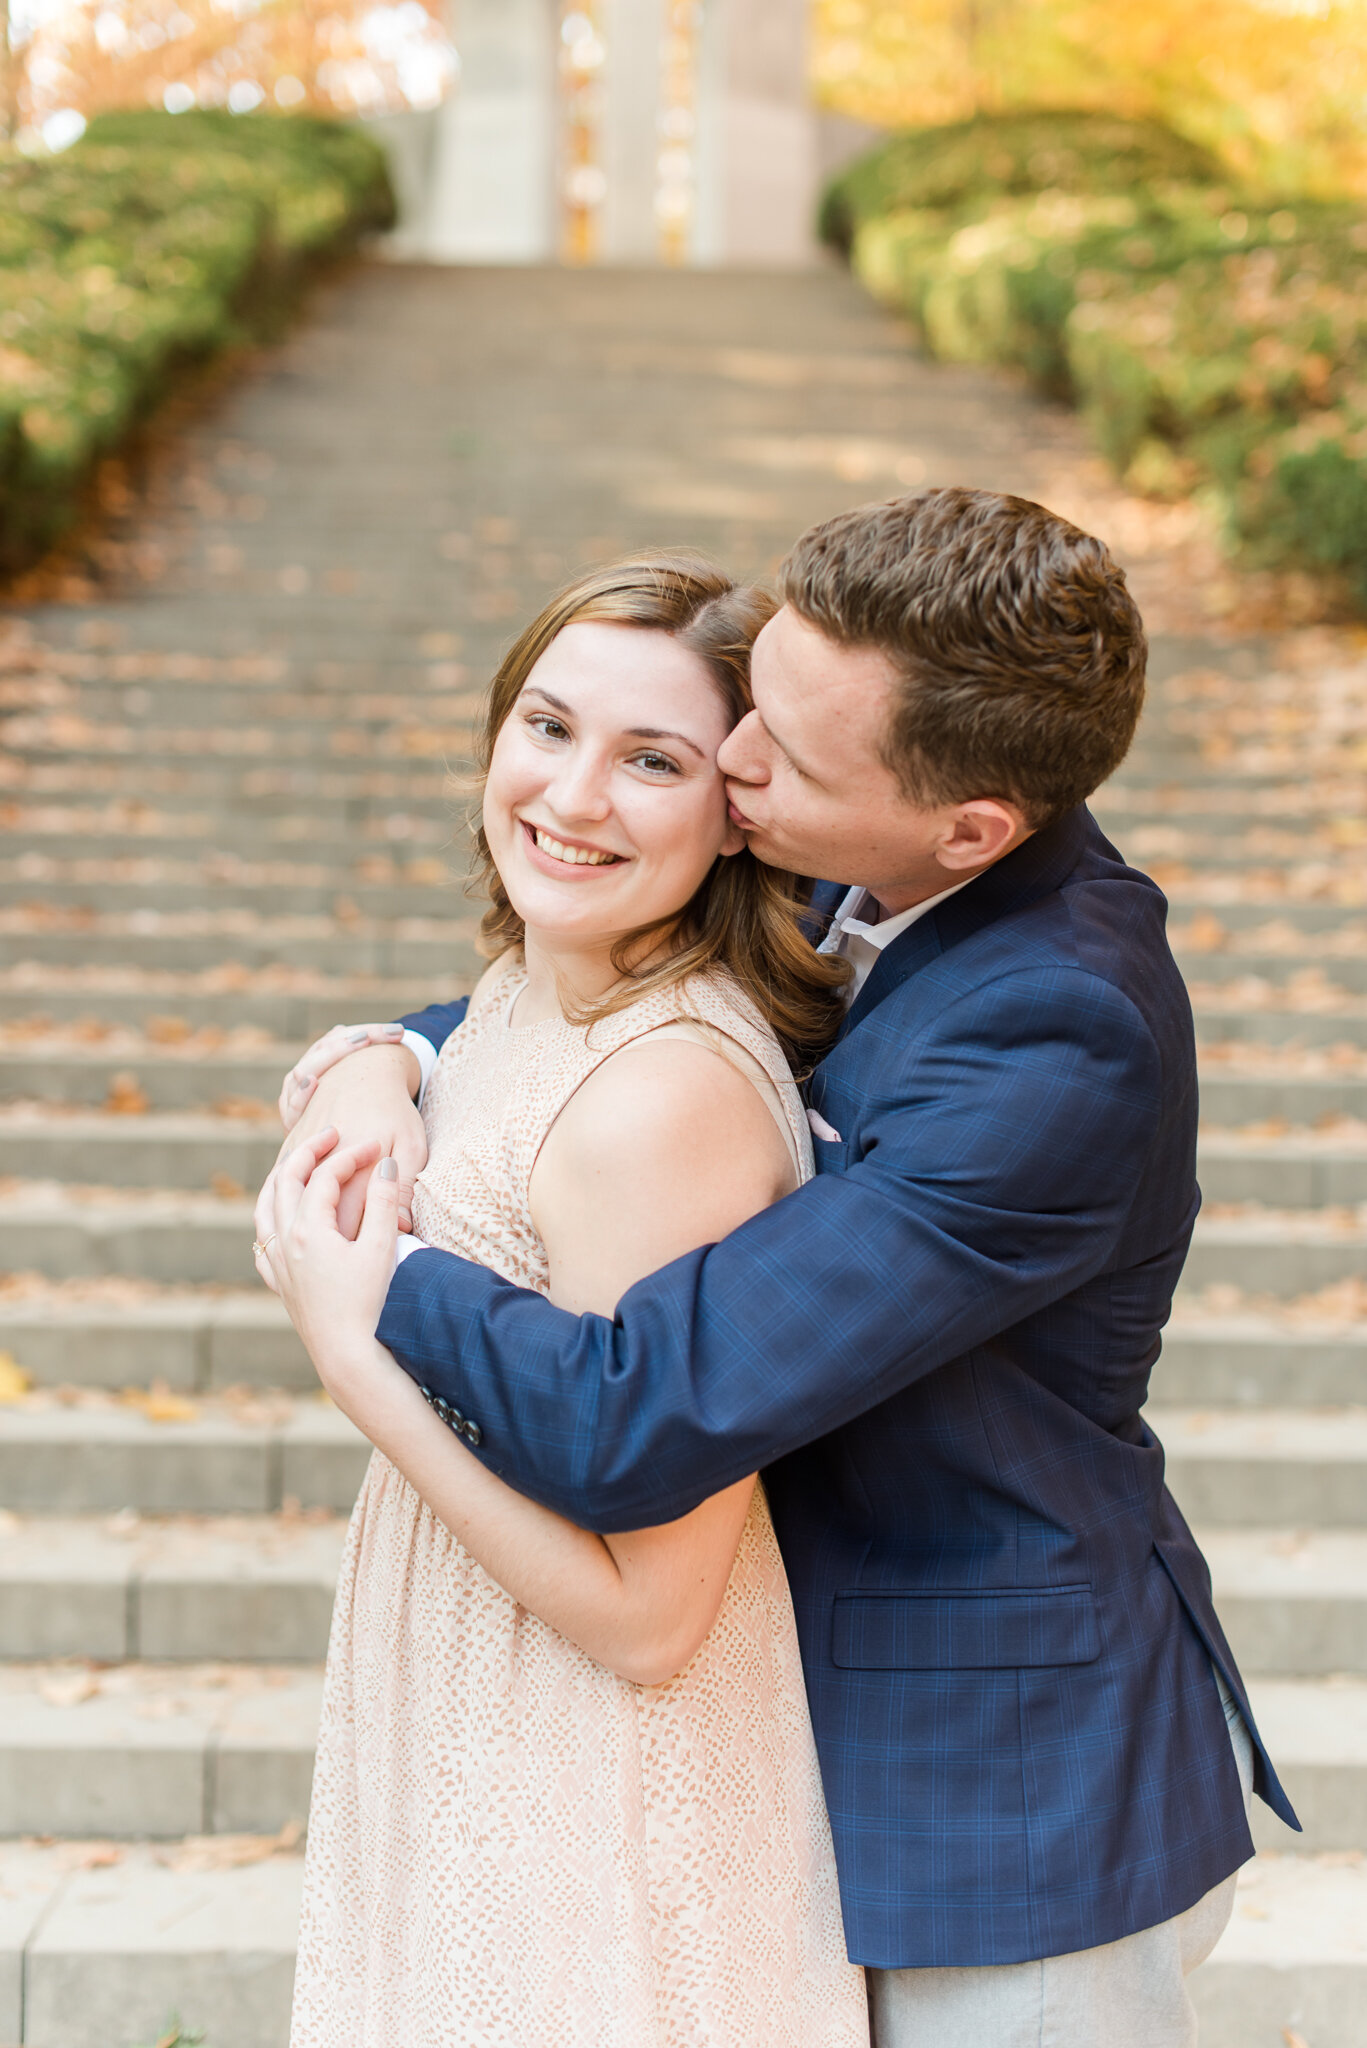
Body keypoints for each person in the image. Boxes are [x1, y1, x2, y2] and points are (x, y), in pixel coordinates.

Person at [270, 488, 1297, 2048]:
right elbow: (579, 1002)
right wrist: (381, 1062)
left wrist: (375, 1286)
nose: (735, 766)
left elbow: (644, 1410)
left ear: (972, 829)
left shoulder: (1058, 1034)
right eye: (752, 710)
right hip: (804, 1724)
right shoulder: (850, 845)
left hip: (1003, 1802)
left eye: (782, 753)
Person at [260, 555, 869, 2046]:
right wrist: (377, 1058)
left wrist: (356, 1357)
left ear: (739, 808)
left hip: (596, 1773)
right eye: (546, 726)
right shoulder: (536, 990)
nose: (573, 795)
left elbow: (656, 1616)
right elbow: (470, 1037)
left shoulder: (666, 1103)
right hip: (467, 1700)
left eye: (649, 760)